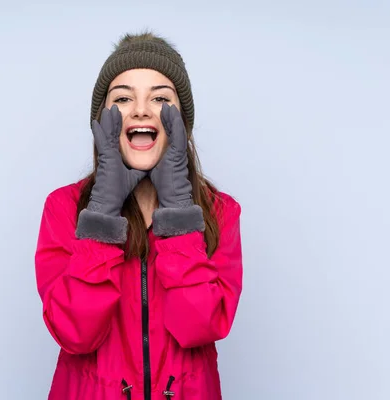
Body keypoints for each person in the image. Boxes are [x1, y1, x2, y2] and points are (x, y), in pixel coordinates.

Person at [34, 31, 243, 400]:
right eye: (123, 98)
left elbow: (199, 326)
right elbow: (75, 334)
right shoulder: (64, 208)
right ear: (103, 122)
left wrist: (179, 209)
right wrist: (101, 214)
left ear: (182, 123)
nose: (142, 110)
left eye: (160, 98)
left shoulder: (220, 211)